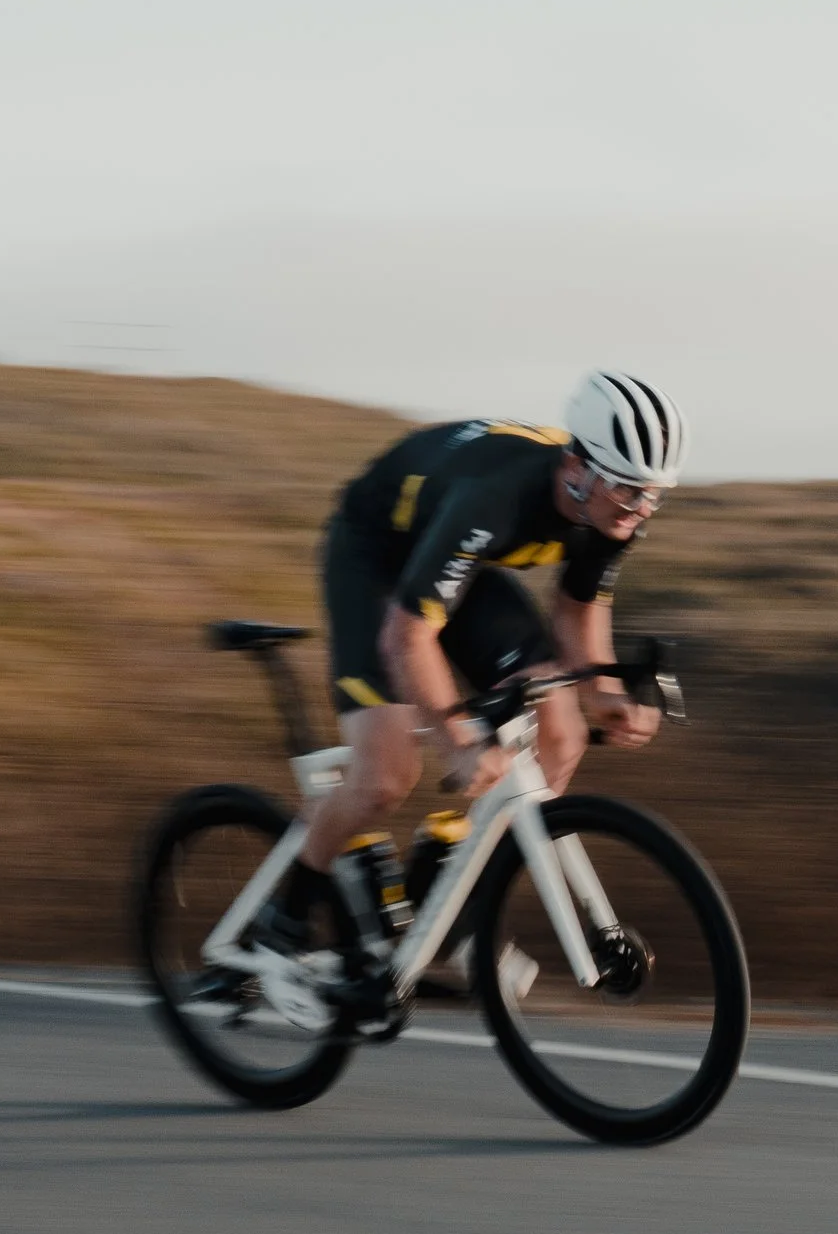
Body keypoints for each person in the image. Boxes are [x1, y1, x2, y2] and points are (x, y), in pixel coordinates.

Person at [253, 371, 686, 982]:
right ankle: (285, 916)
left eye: (653, 494)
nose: (640, 508)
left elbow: (578, 607)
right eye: (627, 490)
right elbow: (406, 636)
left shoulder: (612, 510)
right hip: (376, 557)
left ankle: (442, 892)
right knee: (386, 775)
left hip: (456, 557)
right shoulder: (496, 499)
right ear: (576, 467)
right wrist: (456, 735)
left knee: (560, 729)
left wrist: (604, 695)